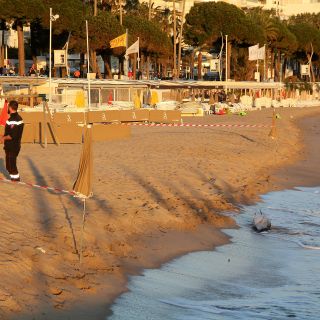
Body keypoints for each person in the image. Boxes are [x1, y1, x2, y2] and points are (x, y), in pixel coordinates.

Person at [0, 100, 24, 181]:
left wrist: (3, 138)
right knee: (8, 165)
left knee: (12, 165)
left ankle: (16, 180)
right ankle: (13, 178)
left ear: (10, 108)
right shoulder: (12, 118)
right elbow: (8, 133)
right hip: (9, 146)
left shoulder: (15, 119)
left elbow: (12, 136)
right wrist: (2, 136)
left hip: (13, 146)